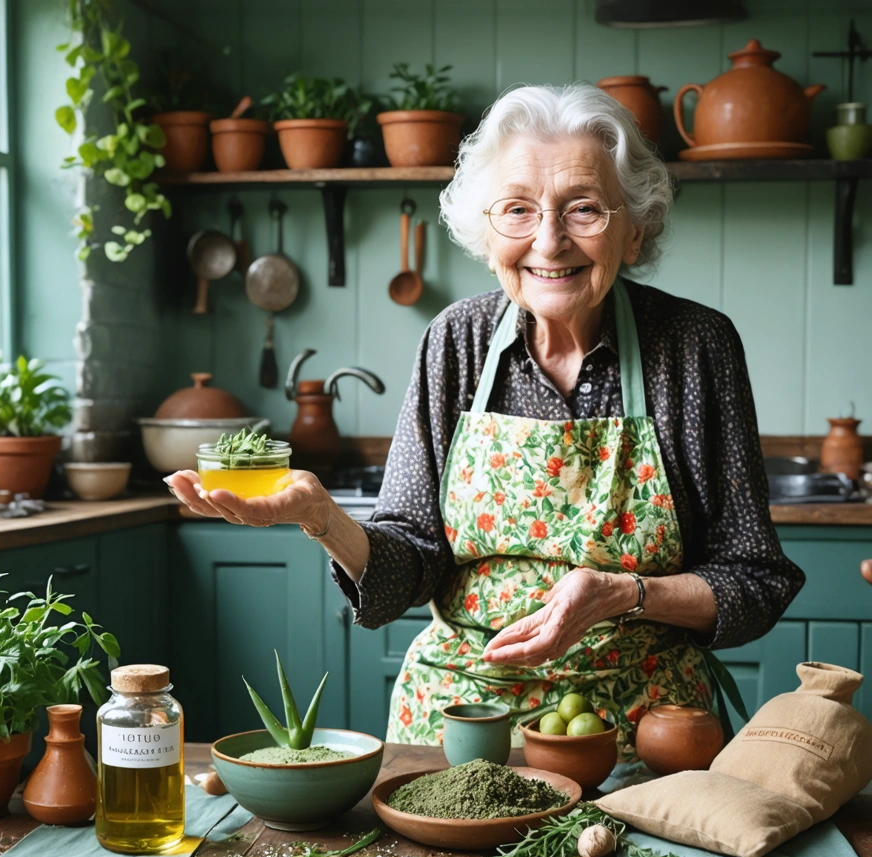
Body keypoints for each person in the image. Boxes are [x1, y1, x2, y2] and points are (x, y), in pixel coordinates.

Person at [167, 82, 804, 758]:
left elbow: (754, 581)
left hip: (643, 732)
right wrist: (322, 518)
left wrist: (625, 594)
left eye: (584, 208)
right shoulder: (456, 341)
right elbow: (409, 561)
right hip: (460, 721)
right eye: (518, 210)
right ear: (486, 228)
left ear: (635, 229)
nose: (549, 241)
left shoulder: (697, 346)